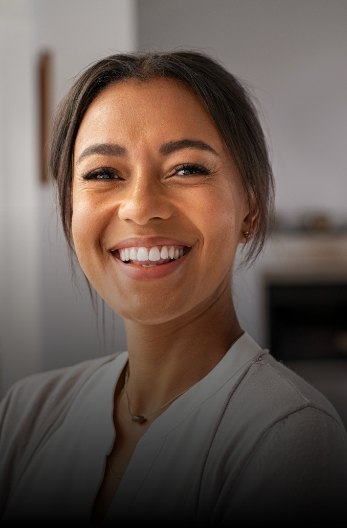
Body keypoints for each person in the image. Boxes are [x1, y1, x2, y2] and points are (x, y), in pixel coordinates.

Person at [1, 50, 347, 527]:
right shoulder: (24, 414)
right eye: (103, 174)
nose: (141, 208)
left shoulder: (289, 436)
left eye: (187, 169)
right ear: (69, 211)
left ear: (250, 207)